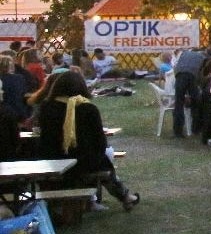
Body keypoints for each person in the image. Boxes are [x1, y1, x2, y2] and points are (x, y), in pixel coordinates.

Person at [32, 71, 139, 211]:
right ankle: (123, 196)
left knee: (100, 160)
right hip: (82, 161)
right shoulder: (88, 108)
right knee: (102, 161)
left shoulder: (46, 108)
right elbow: (100, 142)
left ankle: (108, 198)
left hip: (52, 158)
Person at [171, 46, 207, 138]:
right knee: (196, 101)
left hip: (179, 75)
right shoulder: (203, 56)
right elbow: (203, 73)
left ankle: (177, 131)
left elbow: (176, 67)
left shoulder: (184, 53)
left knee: (179, 103)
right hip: (192, 76)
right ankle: (196, 128)